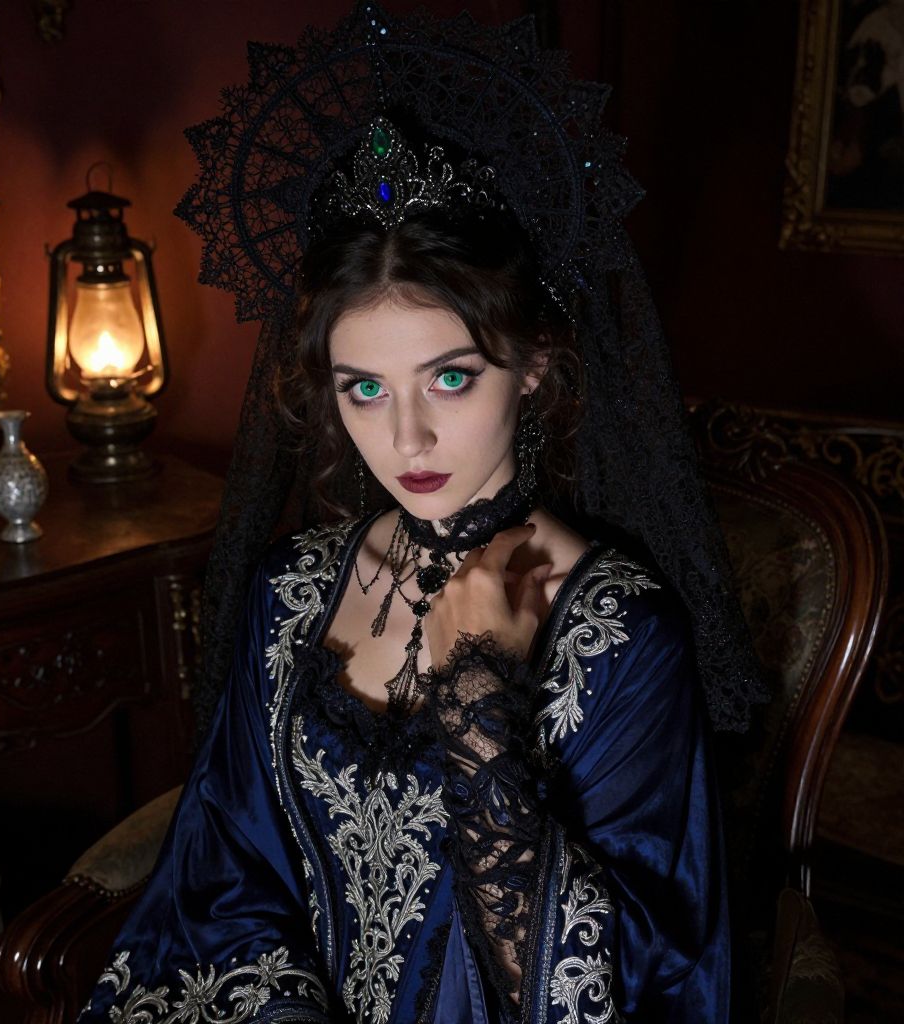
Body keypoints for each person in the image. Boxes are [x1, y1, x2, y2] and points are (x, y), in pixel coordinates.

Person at [78, 4, 765, 1023]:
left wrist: (480, 698)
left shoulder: (624, 636)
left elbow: (620, 990)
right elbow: (224, 886)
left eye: (450, 377)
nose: (406, 438)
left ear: (533, 365)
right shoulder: (292, 593)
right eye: (364, 388)